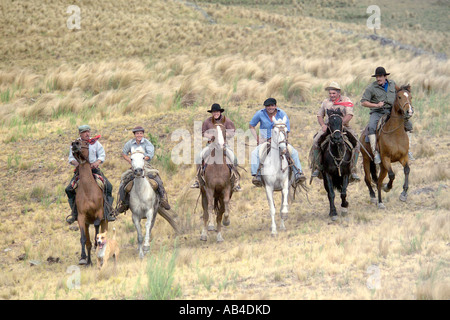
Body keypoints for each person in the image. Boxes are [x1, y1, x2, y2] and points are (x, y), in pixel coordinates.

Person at [361, 66, 414, 164]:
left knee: (409, 125)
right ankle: (375, 152)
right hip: (377, 112)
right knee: (372, 127)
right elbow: (363, 102)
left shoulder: (392, 84)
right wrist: (376, 105)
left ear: (385, 76)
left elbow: (400, 94)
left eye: (380, 76)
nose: (378, 79)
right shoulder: (371, 88)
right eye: (376, 77)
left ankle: (408, 150)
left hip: (391, 111)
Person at [249, 97, 306, 187]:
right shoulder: (260, 114)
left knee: (294, 152)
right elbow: (251, 125)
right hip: (266, 141)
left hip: (280, 141)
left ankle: (298, 173)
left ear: (276, 106)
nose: (270, 107)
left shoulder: (282, 114)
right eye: (268, 106)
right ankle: (257, 176)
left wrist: (283, 141)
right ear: (265, 107)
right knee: (254, 153)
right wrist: (258, 139)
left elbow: (287, 130)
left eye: (272, 105)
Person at [65, 125, 115, 224]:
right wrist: (78, 164)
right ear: (80, 134)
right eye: (84, 132)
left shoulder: (95, 143)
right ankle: (75, 213)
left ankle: (108, 212)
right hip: (81, 171)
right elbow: (71, 159)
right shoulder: (75, 144)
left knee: (108, 186)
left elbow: (102, 155)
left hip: (94, 170)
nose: (87, 134)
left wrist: (97, 162)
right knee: (69, 189)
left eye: (88, 131)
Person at [311, 82, 360, 181]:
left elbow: (349, 114)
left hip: (343, 127)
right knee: (316, 142)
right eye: (330, 93)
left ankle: (352, 169)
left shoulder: (346, 101)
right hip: (328, 127)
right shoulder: (325, 102)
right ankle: (318, 167)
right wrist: (323, 125)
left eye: (333, 93)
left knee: (357, 144)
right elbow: (320, 115)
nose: (331, 95)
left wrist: (341, 124)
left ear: (339, 93)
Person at [115, 126, 171, 213]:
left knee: (157, 179)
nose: (139, 135)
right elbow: (124, 153)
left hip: (145, 166)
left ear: (143, 134)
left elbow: (150, 154)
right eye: (137, 133)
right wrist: (131, 161)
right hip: (134, 167)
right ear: (134, 134)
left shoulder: (147, 143)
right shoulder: (130, 143)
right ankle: (123, 203)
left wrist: (142, 160)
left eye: (141, 133)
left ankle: (163, 199)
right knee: (123, 181)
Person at [190, 103, 242, 192]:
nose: (215, 113)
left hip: (223, 145)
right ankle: (198, 180)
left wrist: (223, 135)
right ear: (212, 113)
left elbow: (232, 132)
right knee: (199, 157)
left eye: (217, 112)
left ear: (220, 112)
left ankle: (236, 181)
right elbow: (203, 133)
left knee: (234, 158)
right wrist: (211, 136)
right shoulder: (207, 121)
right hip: (211, 145)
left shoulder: (227, 121)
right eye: (214, 112)